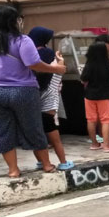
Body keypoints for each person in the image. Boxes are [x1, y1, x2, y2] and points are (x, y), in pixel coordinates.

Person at [0, 5, 66, 178]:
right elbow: (34, 64)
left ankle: (13, 170)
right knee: (33, 127)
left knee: (1, 130)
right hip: (24, 91)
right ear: (13, 21)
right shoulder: (22, 40)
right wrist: (56, 69)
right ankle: (46, 165)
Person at [27, 27, 74, 170]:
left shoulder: (29, 57)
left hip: (32, 101)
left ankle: (41, 162)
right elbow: (60, 71)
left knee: (36, 135)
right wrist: (60, 60)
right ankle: (63, 162)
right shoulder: (52, 63)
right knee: (54, 137)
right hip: (49, 104)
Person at [80, 42, 109, 152]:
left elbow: (83, 80)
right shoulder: (108, 66)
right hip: (103, 95)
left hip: (89, 95)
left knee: (90, 119)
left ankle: (95, 144)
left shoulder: (89, 65)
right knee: (105, 120)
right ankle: (107, 146)